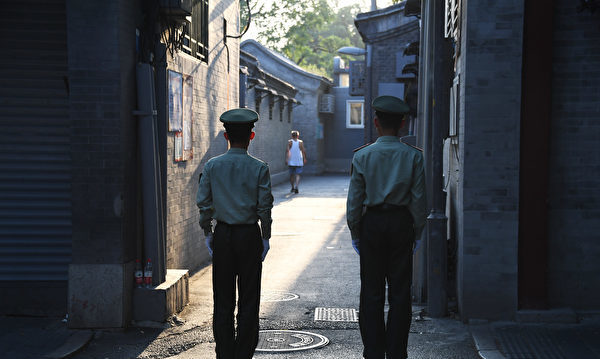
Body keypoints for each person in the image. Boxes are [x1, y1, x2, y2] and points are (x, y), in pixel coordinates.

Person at [346, 96, 427, 359]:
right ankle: (396, 353)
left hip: (372, 224)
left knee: (371, 292)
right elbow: (418, 199)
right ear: (402, 124)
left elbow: (354, 201)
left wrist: (356, 232)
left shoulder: (363, 156)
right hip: (402, 223)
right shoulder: (414, 157)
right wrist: (417, 231)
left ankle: (372, 352)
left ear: (376, 122)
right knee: (400, 292)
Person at [196, 108, 274, 359]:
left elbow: (204, 203)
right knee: (249, 299)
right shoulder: (259, 168)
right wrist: (265, 236)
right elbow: (264, 206)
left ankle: (225, 353)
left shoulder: (212, 166)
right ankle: (244, 353)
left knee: (223, 299)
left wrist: (208, 231)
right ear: (251, 136)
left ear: (225, 136)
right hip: (249, 236)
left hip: (223, 236)